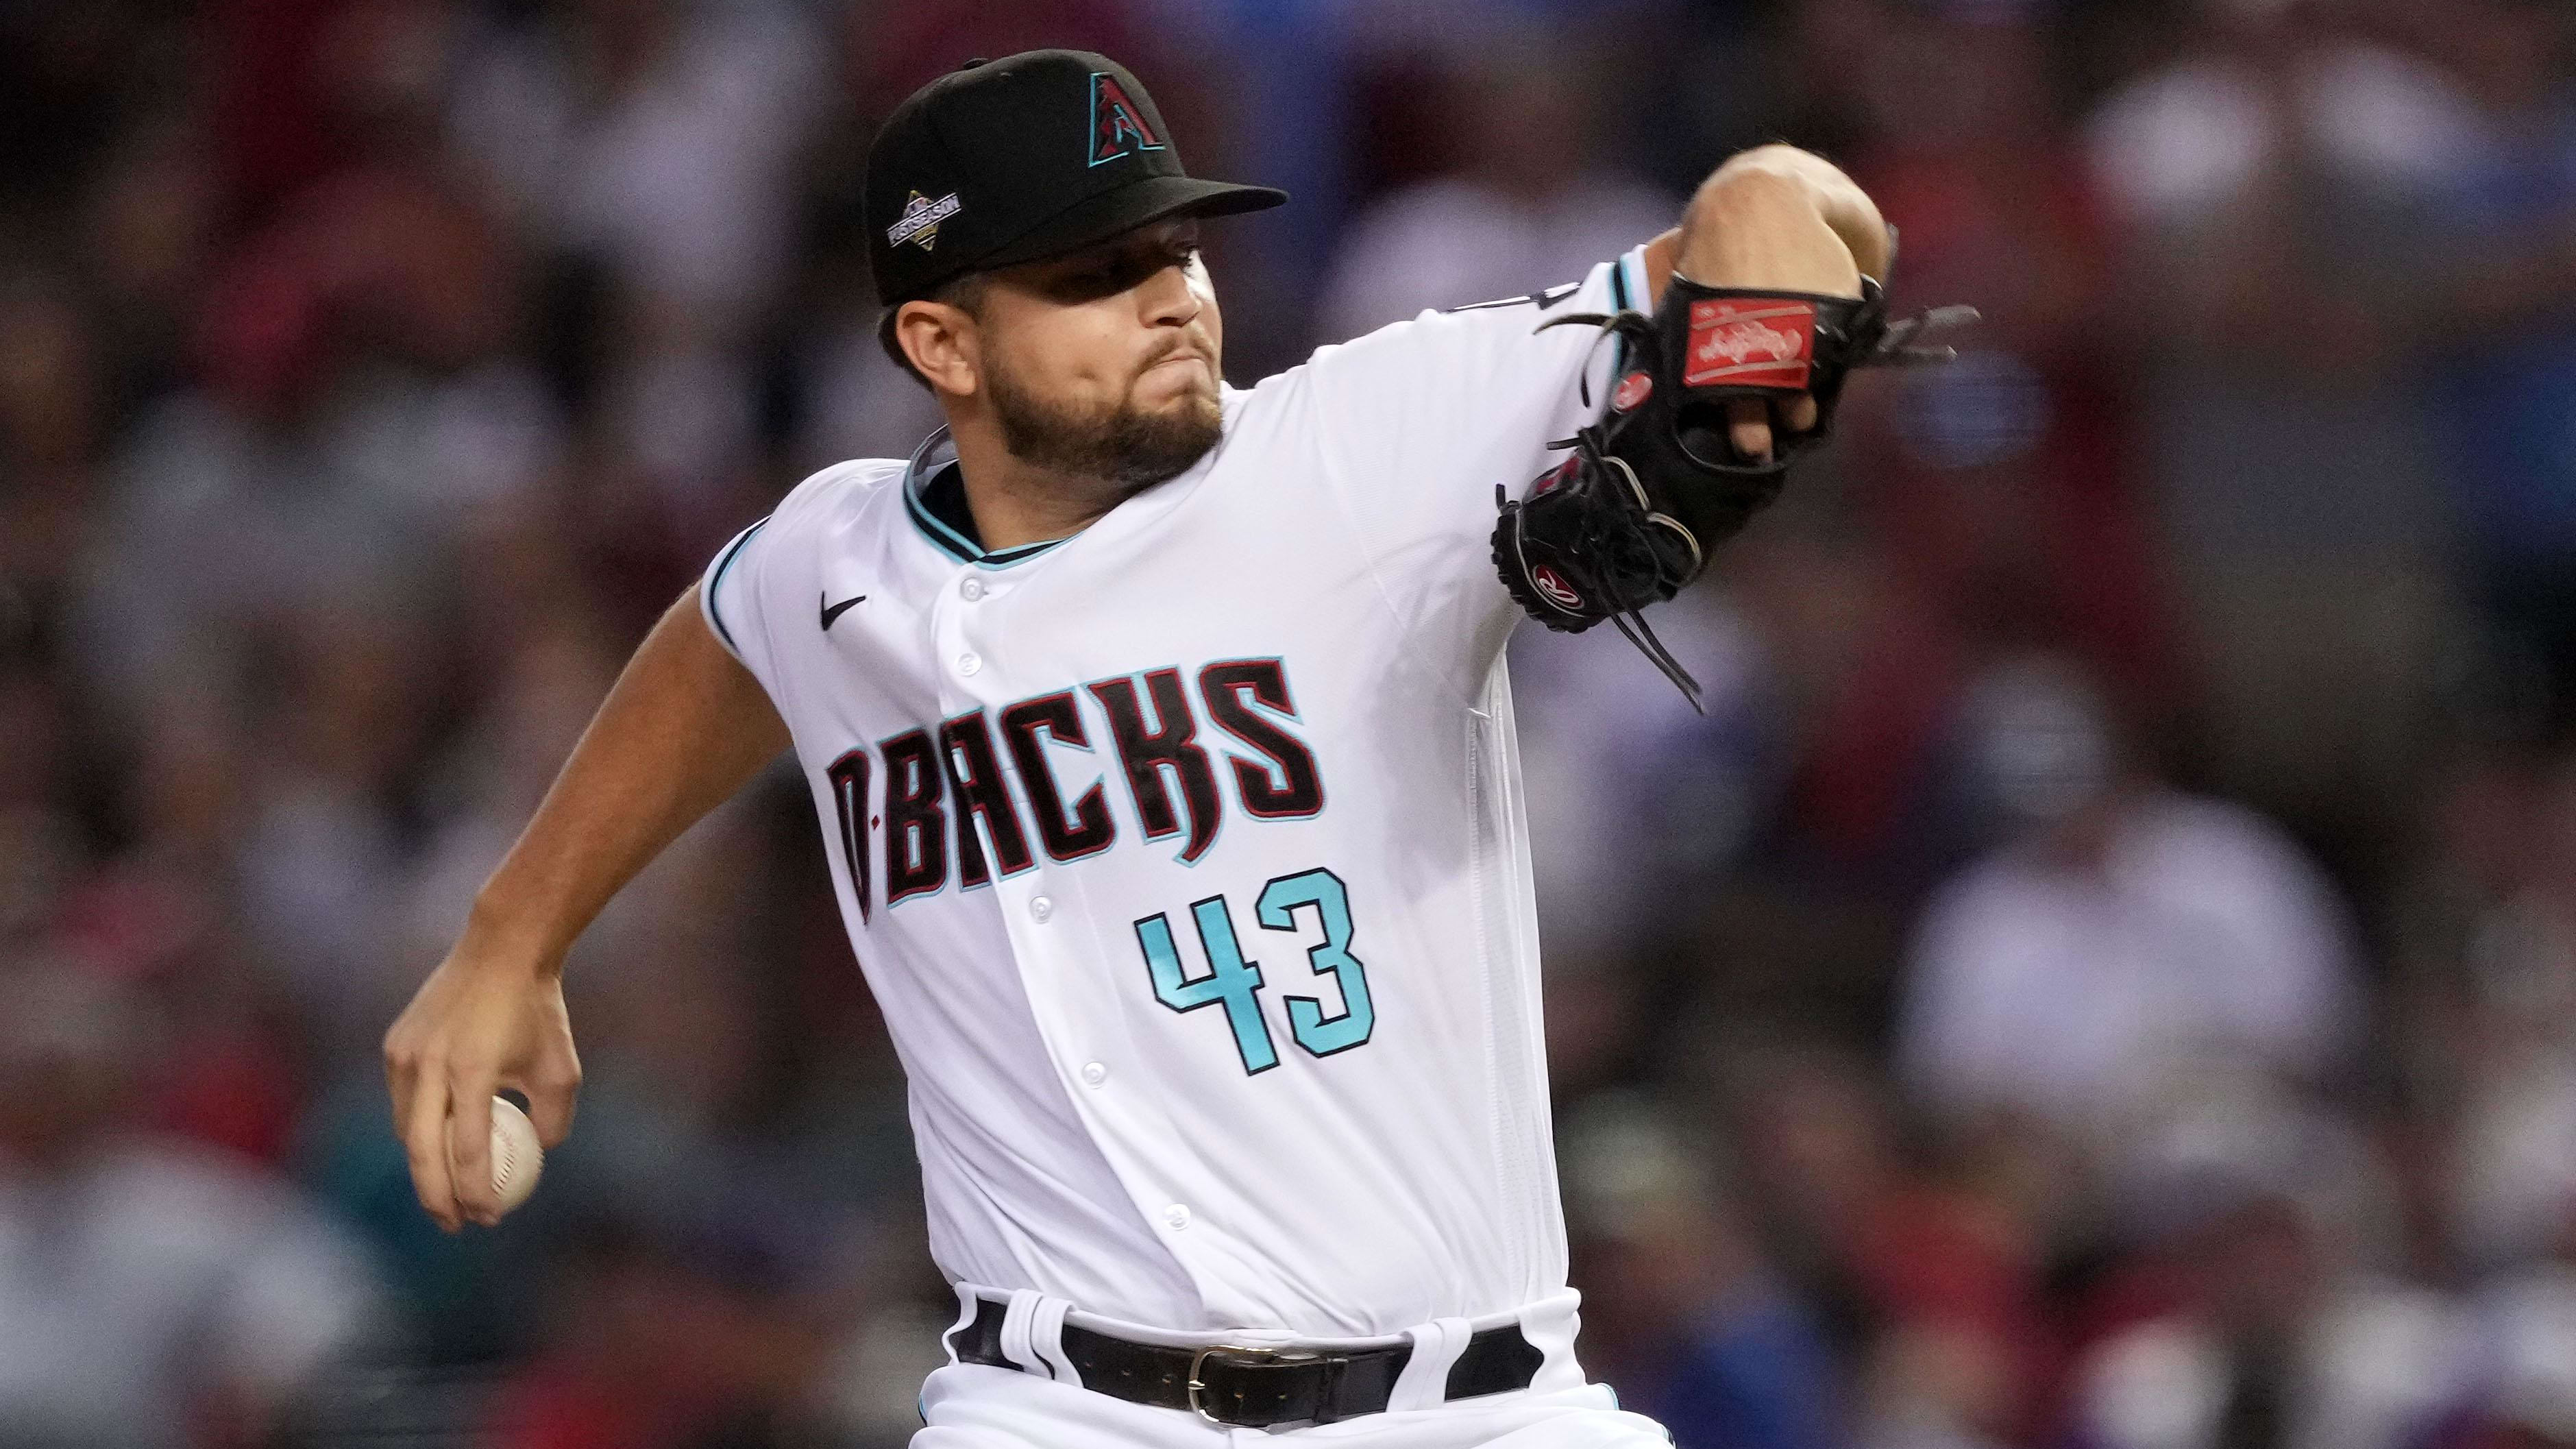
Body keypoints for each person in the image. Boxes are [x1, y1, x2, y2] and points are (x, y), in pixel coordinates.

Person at [384, 49, 1899, 1447]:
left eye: (1175, 246)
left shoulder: (1367, 447)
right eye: (1095, 272)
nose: (1171, 294)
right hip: (1051, 1407)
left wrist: (1755, 298)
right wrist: (512, 937)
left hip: (1465, 1408)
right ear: (940, 340)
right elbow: (721, 643)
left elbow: (1803, 216)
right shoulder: (835, 564)